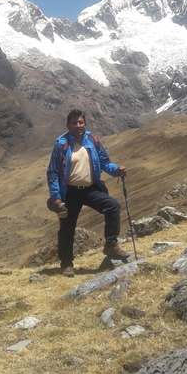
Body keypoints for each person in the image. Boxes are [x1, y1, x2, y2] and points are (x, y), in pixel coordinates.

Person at [47, 109, 128, 277]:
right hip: (69, 192)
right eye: (74, 123)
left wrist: (117, 170)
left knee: (112, 206)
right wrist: (55, 197)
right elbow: (53, 172)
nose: (78, 125)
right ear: (68, 125)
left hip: (91, 189)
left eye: (81, 122)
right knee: (67, 228)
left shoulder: (93, 141)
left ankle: (111, 244)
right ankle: (66, 263)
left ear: (85, 124)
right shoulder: (61, 145)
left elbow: (105, 163)